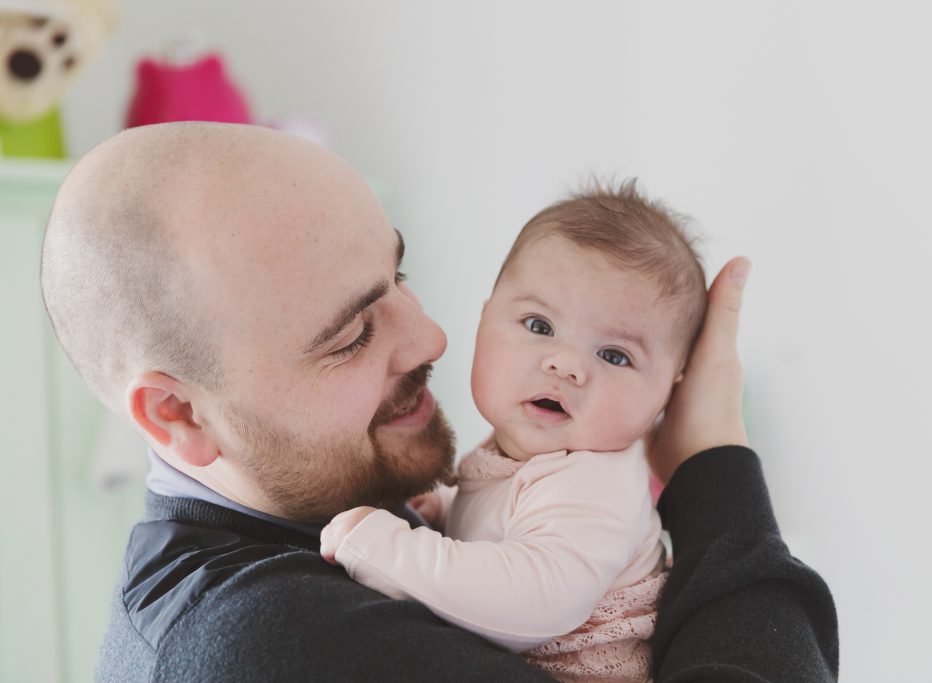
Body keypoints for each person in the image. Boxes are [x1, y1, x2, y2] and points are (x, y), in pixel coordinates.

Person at [39, 122, 839, 681]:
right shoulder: (272, 639)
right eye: (352, 332)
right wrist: (714, 464)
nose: (431, 338)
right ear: (177, 414)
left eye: (401, 274)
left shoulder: (339, 507)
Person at [319, 182, 708, 682]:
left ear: (668, 395)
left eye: (615, 356)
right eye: (539, 325)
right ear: (485, 321)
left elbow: (531, 602)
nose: (565, 364)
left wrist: (386, 547)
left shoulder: (596, 484)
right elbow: (504, 524)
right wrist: (446, 507)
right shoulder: (526, 450)